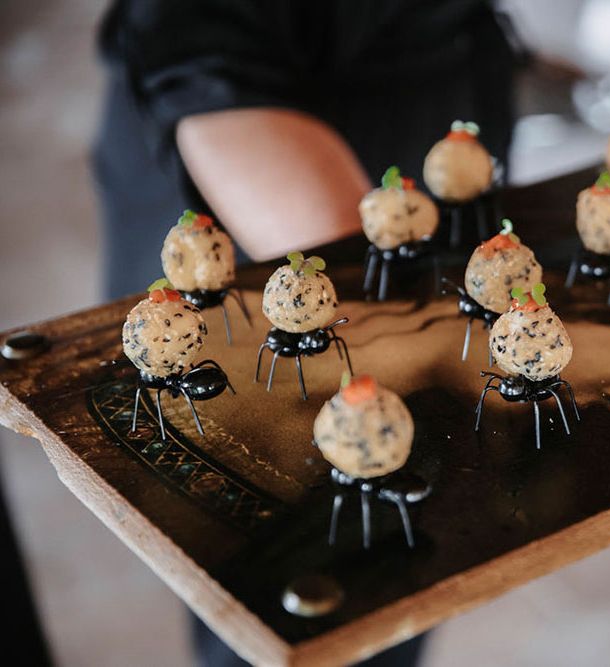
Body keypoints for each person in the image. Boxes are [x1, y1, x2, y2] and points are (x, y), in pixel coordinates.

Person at [93, 1, 517, 664]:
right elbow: (208, 66)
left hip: (429, 126)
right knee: (286, 571)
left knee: (395, 570)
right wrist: (393, 328)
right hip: (251, 168)